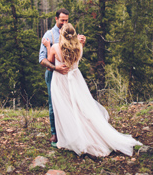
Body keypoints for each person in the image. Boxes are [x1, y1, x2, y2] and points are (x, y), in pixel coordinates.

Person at [41, 23, 142, 157]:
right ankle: (87, 133)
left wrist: (47, 47)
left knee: (64, 108)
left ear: (62, 35)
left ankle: (66, 138)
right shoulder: (79, 47)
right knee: (80, 108)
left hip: (61, 82)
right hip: (76, 81)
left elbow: (49, 65)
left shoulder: (54, 47)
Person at [38, 9, 85, 144]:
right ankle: (55, 133)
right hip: (54, 75)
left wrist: (81, 43)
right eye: (62, 20)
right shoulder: (49, 35)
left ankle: (70, 131)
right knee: (54, 104)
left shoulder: (71, 34)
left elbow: (75, 55)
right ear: (56, 19)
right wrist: (55, 68)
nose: (64, 23)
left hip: (69, 75)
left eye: (66, 20)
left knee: (71, 102)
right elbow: (43, 60)